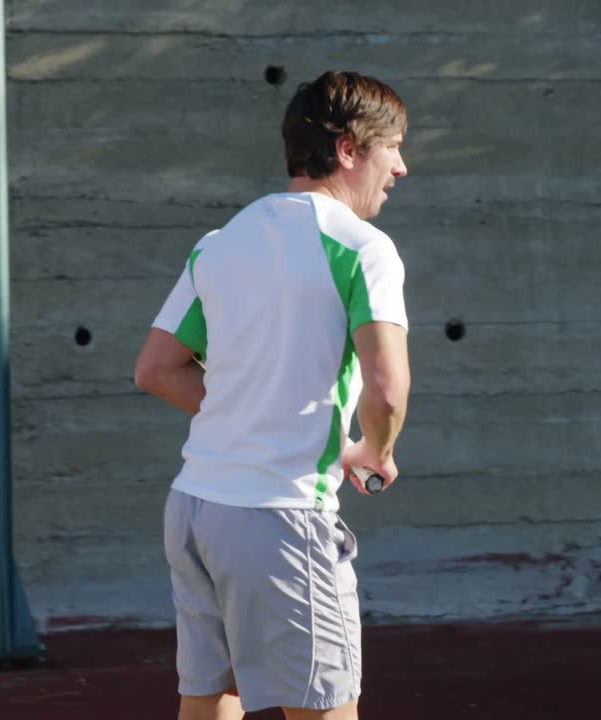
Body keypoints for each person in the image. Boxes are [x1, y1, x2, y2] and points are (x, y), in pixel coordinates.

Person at [133, 70, 411, 720]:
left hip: (195, 511)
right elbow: (386, 387)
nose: (401, 167)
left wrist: (270, 420)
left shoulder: (220, 242)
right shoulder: (363, 248)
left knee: (211, 699)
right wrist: (376, 448)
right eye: (393, 147)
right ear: (348, 149)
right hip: (283, 519)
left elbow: (156, 370)